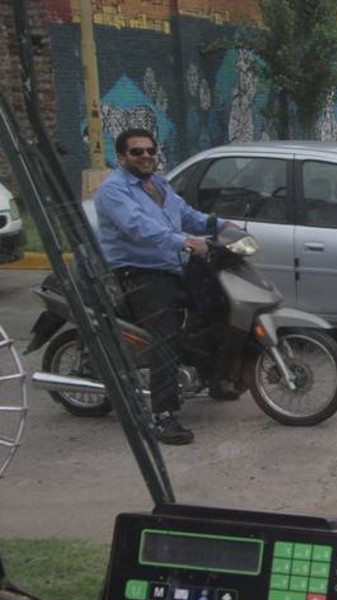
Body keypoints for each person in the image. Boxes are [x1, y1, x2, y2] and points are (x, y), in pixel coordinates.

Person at [94, 128, 226, 445]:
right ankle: (162, 415)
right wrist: (186, 242)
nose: (146, 156)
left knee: (215, 309)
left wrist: (221, 225)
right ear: (121, 156)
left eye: (150, 151)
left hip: (173, 267)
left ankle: (211, 378)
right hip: (139, 273)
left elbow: (187, 215)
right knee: (165, 336)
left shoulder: (159, 184)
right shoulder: (113, 191)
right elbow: (140, 228)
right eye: (137, 151)